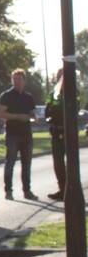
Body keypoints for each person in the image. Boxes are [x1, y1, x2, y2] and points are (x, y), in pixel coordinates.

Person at [0, 68, 37, 201]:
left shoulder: (28, 97)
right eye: (14, 79)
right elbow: (0, 113)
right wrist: (17, 116)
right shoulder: (6, 95)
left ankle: (27, 191)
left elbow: (33, 114)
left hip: (26, 133)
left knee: (27, 164)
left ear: (24, 81)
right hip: (12, 134)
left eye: (19, 79)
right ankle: (8, 190)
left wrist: (32, 117)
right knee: (10, 163)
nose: (17, 82)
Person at [45, 68, 78, 202]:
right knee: (58, 163)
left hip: (69, 133)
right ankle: (62, 190)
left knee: (71, 163)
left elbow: (74, 110)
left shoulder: (74, 93)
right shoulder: (53, 94)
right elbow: (48, 112)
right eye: (60, 77)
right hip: (56, 132)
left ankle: (74, 190)